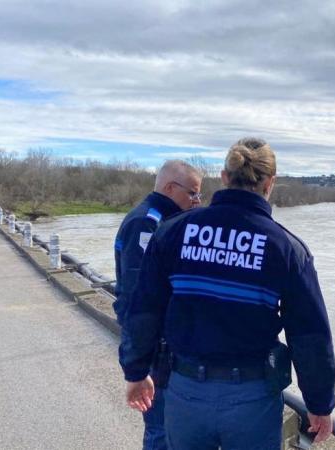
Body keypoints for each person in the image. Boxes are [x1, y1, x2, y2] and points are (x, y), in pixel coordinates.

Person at [119, 138, 335, 450]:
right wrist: (320, 403)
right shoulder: (286, 248)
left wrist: (136, 371)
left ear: (223, 178)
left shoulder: (173, 232)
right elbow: (309, 334)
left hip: (185, 391)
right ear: (270, 184)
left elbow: (144, 309)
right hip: (252, 399)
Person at [114, 160, 202, 450]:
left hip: (164, 344)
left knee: (172, 427)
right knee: (161, 429)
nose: (197, 201)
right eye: (192, 193)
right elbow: (139, 296)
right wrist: (138, 364)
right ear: (170, 188)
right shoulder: (147, 223)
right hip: (156, 348)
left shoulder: (166, 222)